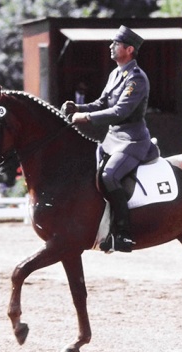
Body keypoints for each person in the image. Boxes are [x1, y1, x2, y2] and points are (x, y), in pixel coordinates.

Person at [61, 25, 159, 252]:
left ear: (129, 49)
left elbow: (119, 112)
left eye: (115, 44)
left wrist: (84, 117)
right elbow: (103, 103)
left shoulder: (137, 78)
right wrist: (78, 106)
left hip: (132, 140)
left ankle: (123, 234)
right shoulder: (116, 73)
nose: (110, 47)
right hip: (112, 139)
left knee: (109, 176)